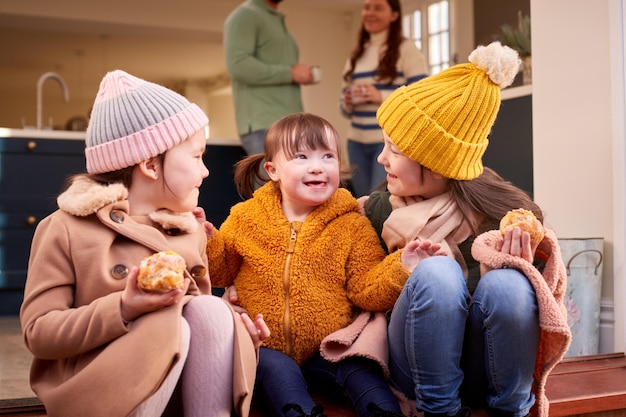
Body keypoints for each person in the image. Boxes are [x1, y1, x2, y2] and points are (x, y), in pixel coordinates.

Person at [19, 70, 270, 417]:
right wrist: (123, 307)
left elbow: (198, 323)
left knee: (211, 310)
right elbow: (39, 333)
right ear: (151, 164)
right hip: (96, 386)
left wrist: (236, 338)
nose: (206, 171)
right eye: (197, 156)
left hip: (178, 390)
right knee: (169, 320)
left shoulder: (189, 230)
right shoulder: (64, 228)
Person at [359, 42, 571, 417]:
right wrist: (404, 268)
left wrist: (516, 269)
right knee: (437, 272)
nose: (381, 158)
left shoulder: (502, 216)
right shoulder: (377, 210)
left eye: (394, 149)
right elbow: (360, 293)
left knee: (509, 284)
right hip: (413, 368)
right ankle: (441, 412)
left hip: (484, 366)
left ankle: (513, 411)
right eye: (383, 144)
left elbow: (535, 306)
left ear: (436, 163)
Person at [204, 112, 426, 417]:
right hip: (265, 347)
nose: (317, 166)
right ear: (273, 170)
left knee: (359, 369)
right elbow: (221, 271)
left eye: (327, 156)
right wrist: (208, 242)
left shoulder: (351, 225)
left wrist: (401, 267)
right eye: (301, 156)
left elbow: (366, 289)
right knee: (280, 375)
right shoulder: (245, 218)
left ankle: (383, 412)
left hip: (329, 347)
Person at [340, 0, 428, 198]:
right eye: (367, 7)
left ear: (394, 15)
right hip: (356, 143)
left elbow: (421, 94)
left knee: (381, 200)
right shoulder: (356, 53)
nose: (370, 12)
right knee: (364, 201)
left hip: (388, 142)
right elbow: (343, 108)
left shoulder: (406, 49)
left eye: (378, 8)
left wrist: (381, 97)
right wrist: (347, 102)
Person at [224, 0, 315, 157]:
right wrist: (290, 73)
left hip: (290, 126)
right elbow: (239, 66)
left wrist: (297, 74)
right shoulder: (245, 15)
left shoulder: (273, 18)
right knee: (269, 182)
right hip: (265, 127)